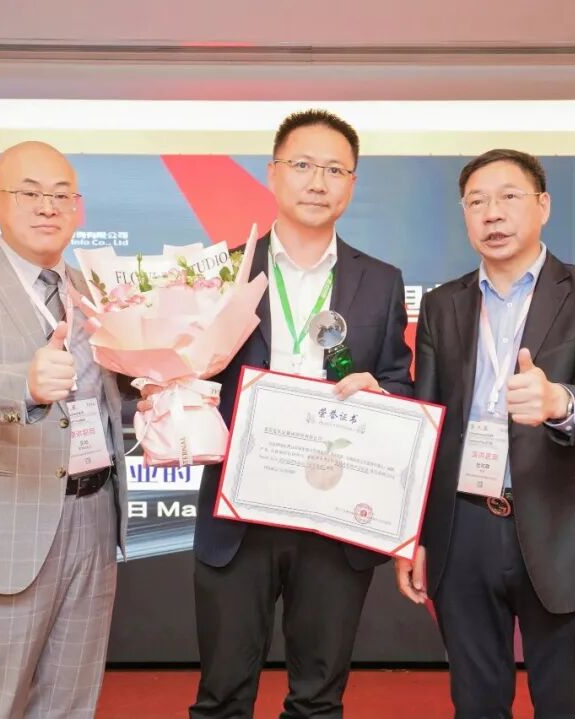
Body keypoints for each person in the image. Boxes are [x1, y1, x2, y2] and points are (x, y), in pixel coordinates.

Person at [397, 148, 575, 718]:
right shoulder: (442, 304)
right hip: (463, 526)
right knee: (475, 701)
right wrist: (413, 534)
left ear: (543, 206)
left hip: (560, 526)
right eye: (476, 202)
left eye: (509, 197)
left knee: (562, 702)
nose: (493, 214)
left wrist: (559, 402)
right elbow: (427, 422)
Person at [188, 109, 413, 718]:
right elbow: (186, 371)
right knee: (221, 697)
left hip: (334, 514)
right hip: (239, 510)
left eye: (335, 170)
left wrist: (380, 393)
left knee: (318, 699)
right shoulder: (223, 273)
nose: (318, 182)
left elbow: (398, 379)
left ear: (352, 184)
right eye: (304, 165)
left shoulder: (381, 280)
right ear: (272, 173)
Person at [0, 141, 128, 718]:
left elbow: (116, 384)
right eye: (29, 193)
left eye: (61, 195)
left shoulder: (98, 293)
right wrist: (26, 384)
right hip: (7, 522)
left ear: (78, 207)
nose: (47, 207)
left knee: (71, 702)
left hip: (94, 515)